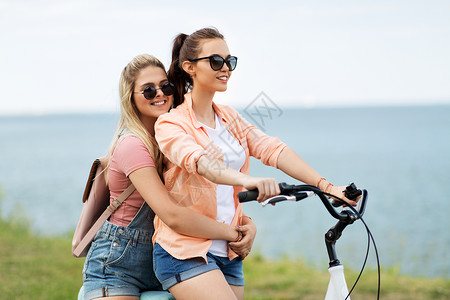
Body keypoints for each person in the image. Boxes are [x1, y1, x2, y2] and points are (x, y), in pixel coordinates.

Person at [153, 27, 359, 300]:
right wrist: (247, 180)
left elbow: (272, 149)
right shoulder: (171, 123)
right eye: (216, 61)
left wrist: (327, 186)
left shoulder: (229, 118)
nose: (225, 67)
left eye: (230, 61)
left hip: (230, 251)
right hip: (186, 252)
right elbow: (201, 163)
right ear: (189, 67)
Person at [82, 54, 245, 300]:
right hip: (116, 266)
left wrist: (247, 225)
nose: (159, 93)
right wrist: (233, 234)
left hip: (165, 256)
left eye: (164, 86)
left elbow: (211, 199)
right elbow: (172, 214)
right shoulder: (132, 145)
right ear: (131, 99)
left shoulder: (176, 139)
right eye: (148, 90)